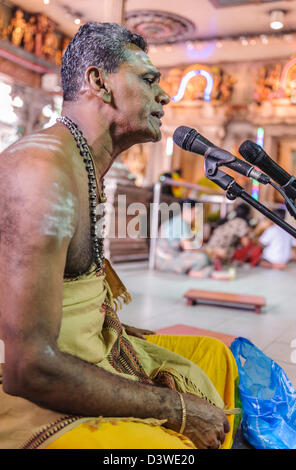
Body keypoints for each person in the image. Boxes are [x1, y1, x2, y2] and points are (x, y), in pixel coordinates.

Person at [0, 22, 239, 450]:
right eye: (149, 80)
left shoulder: (84, 164)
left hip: (90, 349)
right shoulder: (41, 172)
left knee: (215, 357)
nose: (164, 96)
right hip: (26, 396)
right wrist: (175, 409)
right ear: (98, 82)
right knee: (173, 451)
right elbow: (29, 367)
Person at [155, 199, 212, 278]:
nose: (195, 217)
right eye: (195, 213)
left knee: (204, 258)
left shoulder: (177, 221)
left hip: (164, 260)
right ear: (186, 210)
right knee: (202, 258)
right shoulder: (180, 222)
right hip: (165, 262)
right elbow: (188, 247)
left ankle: (195, 271)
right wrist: (210, 251)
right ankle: (194, 272)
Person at [204, 203, 251, 269]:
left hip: (209, 248)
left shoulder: (228, 219)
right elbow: (245, 243)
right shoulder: (241, 222)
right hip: (221, 251)